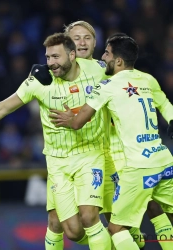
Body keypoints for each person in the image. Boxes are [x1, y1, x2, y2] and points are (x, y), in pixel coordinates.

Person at [0, 33, 113, 250]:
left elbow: (128, 78)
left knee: (89, 217)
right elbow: (1, 107)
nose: (51, 63)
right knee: (73, 231)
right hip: (58, 162)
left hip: (90, 154)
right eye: (47, 57)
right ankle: (114, 242)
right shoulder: (38, 81)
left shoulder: (97, 70)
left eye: (56, 57)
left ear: (72, 55)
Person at [49, 35, 173, 250]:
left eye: (106, 53)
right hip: (163, 159)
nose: (103, 57)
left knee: (116, 228)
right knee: (160, 213)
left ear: (118, 61)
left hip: (137, 166)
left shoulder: (107, 86)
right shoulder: (148, 79)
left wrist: (70, 119)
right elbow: (166, 106)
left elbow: (79, 122)